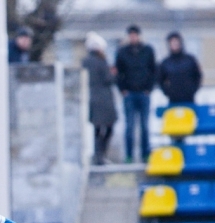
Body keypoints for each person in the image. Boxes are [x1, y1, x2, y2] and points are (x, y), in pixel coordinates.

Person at [115, 25, 156, 163]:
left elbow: (153, 71)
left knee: (145, 126)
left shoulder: (148, 51)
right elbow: (118, 73)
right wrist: (123, 90)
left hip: (144, 93)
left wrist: (149, 89)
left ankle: (145, 154)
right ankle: (129, 155)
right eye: (131, 35)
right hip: (130, 94)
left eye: (135, 35)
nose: (133, 37)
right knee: (129, 126)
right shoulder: (122, 52)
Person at [84, 32, 118, 166]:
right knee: (108, 128)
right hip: (104, 99)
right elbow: (108, 79)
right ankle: (101, 156)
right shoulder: (101, 61)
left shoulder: (85, 62)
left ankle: (97, 156)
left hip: (91, 98)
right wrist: (113, 73)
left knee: (96, 129)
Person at [158, 32, 203, 105]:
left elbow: (198, 75)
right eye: (172, 42)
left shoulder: (190, 60)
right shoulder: (165, 63)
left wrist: (193, 89)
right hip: (173, 100)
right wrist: (167, 92)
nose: (174, 44)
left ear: (180, 43)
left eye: (176, 41)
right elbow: (160, 79)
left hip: (189, 99)